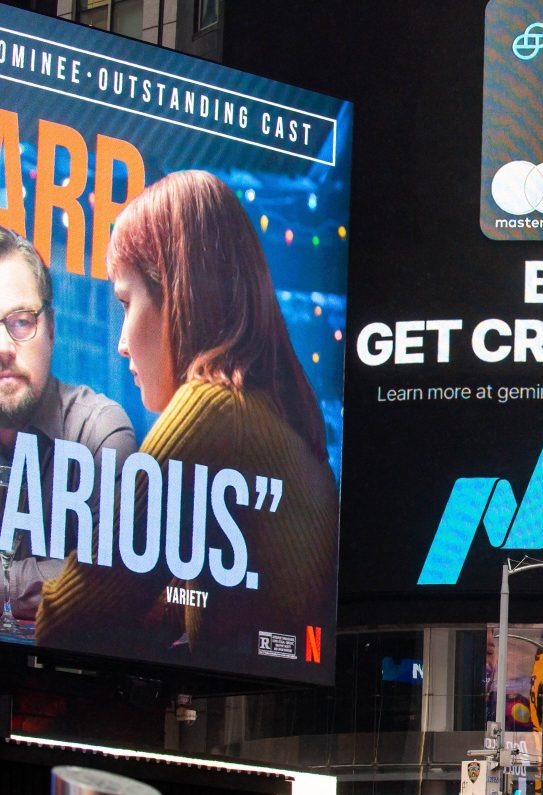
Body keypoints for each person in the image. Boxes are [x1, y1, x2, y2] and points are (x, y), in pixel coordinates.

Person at [36, 170, 338, 658]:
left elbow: (63, 625)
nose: (120, 345)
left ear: (175, 295)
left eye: (125, 301)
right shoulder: (276, 422)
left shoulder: (211, 412)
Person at [0, 226, 136, 621]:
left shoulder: (99, 431)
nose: (4, 348)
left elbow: (112, 575)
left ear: (52, 330)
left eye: (21, 321)